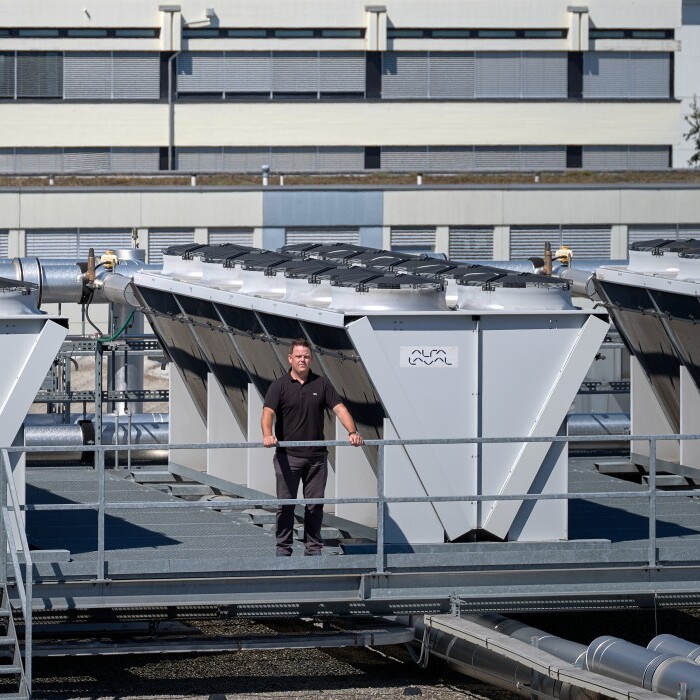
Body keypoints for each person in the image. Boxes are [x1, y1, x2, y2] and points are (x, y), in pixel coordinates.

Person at [261, 339, 363, 556]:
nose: (302, 360)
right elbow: (268, 412)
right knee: (286, 505)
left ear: (311, 359)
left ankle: (313, 550)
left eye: (306, 356)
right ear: (290, 359)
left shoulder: (322, 384)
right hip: (287, 457)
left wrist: (352, 432)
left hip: (316, 458)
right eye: (298, 356)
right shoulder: (279, 385)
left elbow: (340, 409)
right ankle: (283, 549)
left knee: (315, 506)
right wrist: (267, 435)